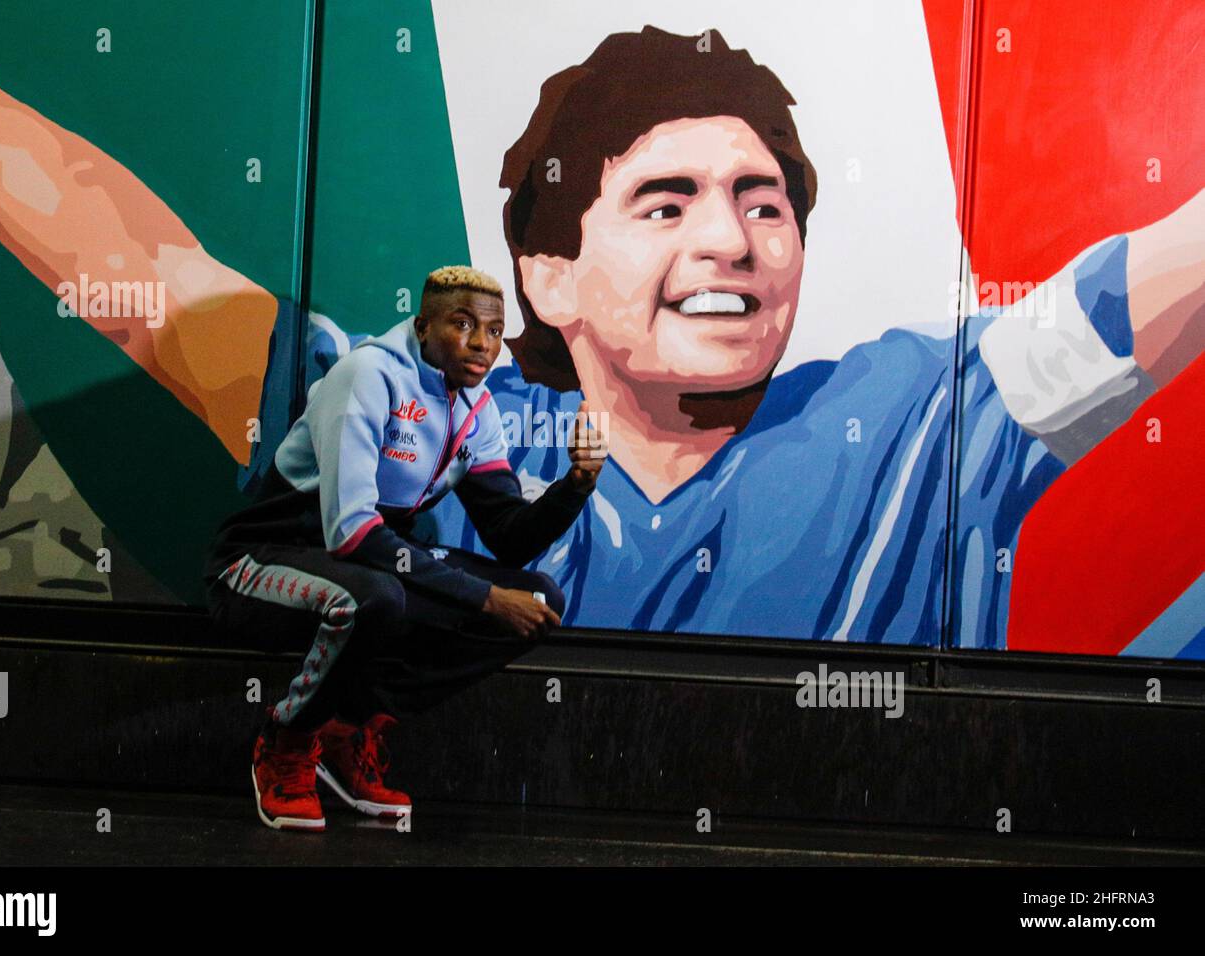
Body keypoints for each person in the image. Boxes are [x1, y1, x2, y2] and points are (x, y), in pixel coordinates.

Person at [428, 26, 1205, 650]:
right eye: (666, 207)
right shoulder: (462, 426)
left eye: (763, 205)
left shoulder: (906, 417)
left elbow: (1140, 290)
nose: (731, 240)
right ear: (548, 279)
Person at [202, 266, 607, 831]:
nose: (480, 345)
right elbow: (352, 534)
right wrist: (484, 598)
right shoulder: (368, 375)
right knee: (375, 597)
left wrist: (577, 485)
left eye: (493, 331)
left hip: (366, 570)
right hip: (259, 561)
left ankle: (347, 731)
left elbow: (510, 539)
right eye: (462, 324)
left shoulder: (476, 409)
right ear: (422, 326)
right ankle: (286, 741)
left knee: (538, 597)